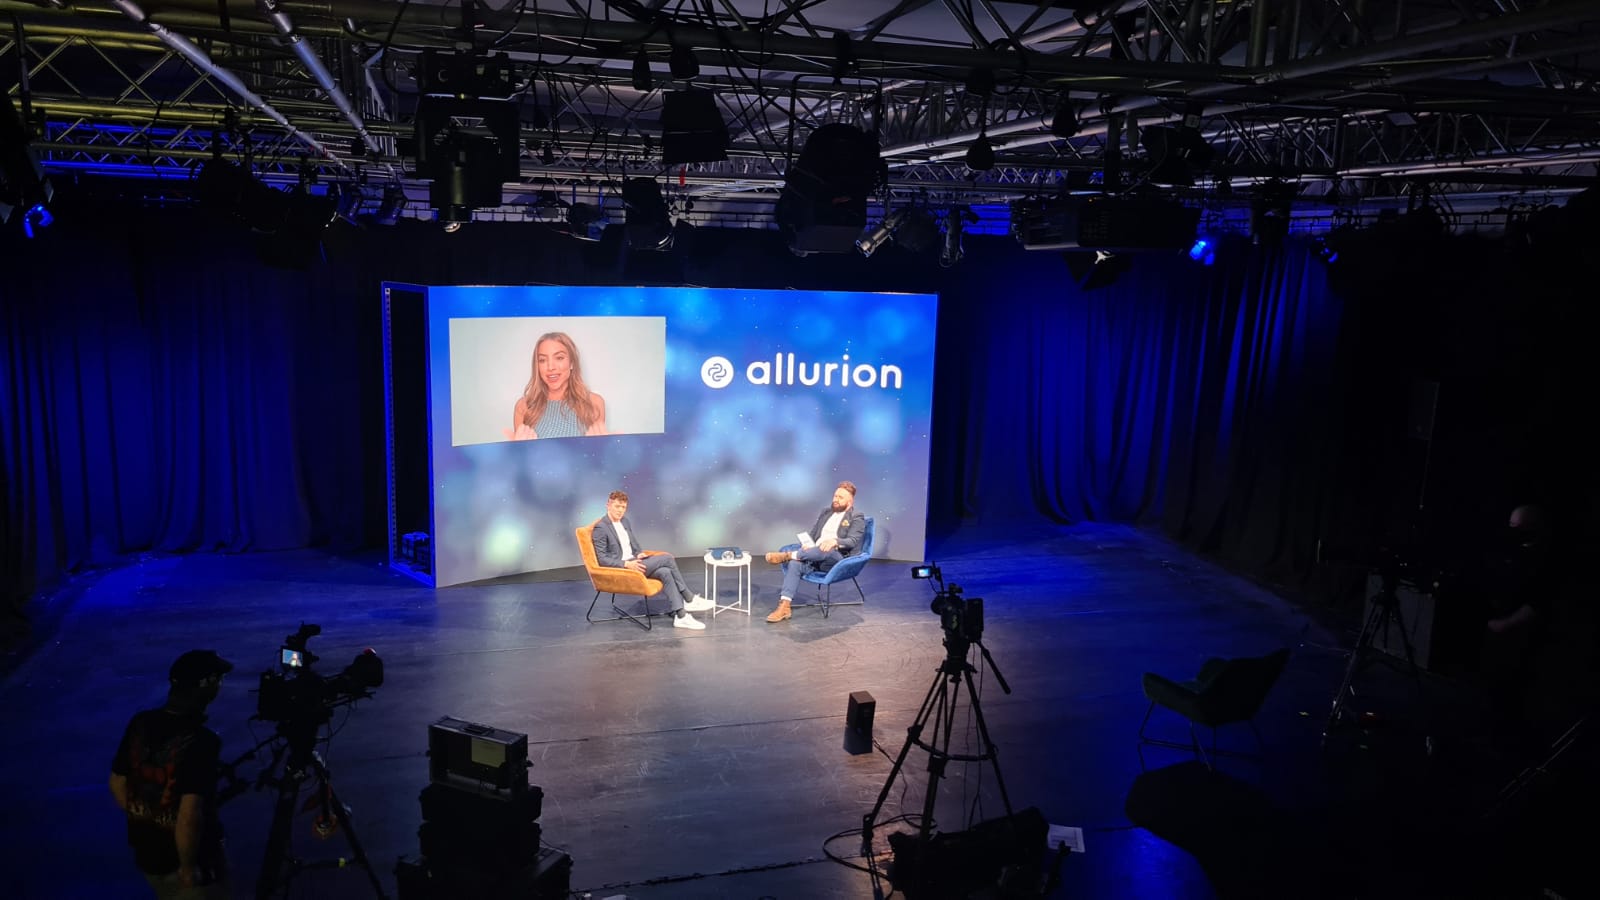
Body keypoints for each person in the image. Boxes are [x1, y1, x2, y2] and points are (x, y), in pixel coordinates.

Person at [109, 649, 233, 899]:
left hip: (147, 853)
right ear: (207, 684)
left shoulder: (141, 723)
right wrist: (187, 868)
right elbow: (189, 815)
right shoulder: (202, 741)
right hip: (187, 864)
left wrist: (148, 818)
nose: (221, 685)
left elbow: (117, 782)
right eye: (219, 679)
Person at [592, 490, 713, 630]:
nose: (620, 510)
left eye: (623, 507)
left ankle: (681, 616)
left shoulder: (625, 521)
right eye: (617, 506)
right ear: (608, 505)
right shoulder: (601, 528)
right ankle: (689, 598)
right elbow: (602, 559)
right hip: (624, 569)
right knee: (667, 558)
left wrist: (638, 554)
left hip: (635, 561)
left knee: (665, 572)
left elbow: (633, 544)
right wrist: (626, 564)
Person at [762, 481, 867, 623]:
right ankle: (784, 606)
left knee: (826, 547)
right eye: (835, 496)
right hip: (814, 556)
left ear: (850, 501)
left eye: (840, 497)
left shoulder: (857, 516)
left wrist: (835, 541)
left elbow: (852, 541)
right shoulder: (826, 512)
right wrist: (807, 544)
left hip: (836, 559)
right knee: (795, 564)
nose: (835, 499)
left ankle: (788, 555)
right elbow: (813, 534)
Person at [505, 332, 608, 439]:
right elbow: (521, 450)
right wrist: (521, 447)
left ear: (572, 363)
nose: (550, 367)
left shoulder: (594, 403)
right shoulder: (523, 407)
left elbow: (597, 449)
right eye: (542, 360)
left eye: (559, 358)